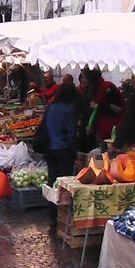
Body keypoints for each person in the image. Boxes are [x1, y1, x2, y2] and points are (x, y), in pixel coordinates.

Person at [44, 84, 78, 221]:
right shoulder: (69, 109)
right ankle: (63, 215)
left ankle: (52, 212)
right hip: (63, 149)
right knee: (64, 183)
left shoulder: (51, 107)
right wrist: (74, 150)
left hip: (50, 148)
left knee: (52, 179)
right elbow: (71, 132)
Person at [84, 68, 125, 147]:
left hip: (110, 130)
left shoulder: (107, 87)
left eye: (85, 77)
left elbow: (118, 108)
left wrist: (98, 106)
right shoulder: (93, 89)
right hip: (101, 129)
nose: (83, 80)